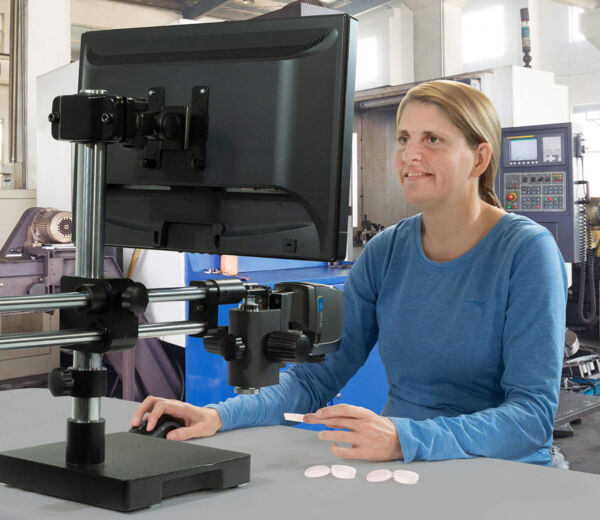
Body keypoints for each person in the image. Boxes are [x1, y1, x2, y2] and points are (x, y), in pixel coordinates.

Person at [131, 80, 567, 466]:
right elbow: (316, 378)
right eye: (403, 138)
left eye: (433, 139)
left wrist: (405, 437)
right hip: (408, 469)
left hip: (503, 472)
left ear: (479, 158)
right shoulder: (386, 252)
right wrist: (219, 415)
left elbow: (530, 417)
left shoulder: (525, 252)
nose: (410, 155)